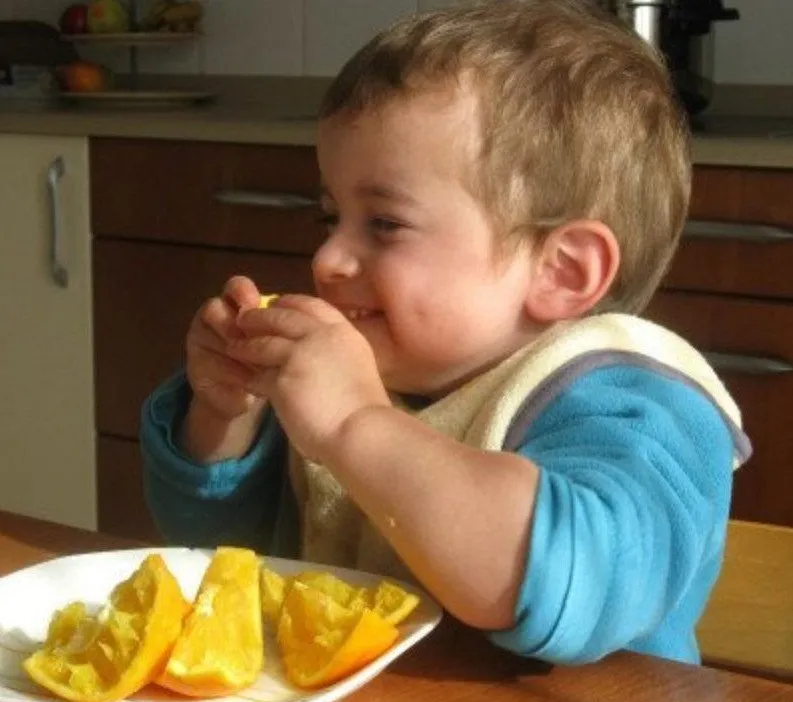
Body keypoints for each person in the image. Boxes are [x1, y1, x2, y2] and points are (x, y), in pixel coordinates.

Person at [140, 0, 750, 666]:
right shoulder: (363, 382)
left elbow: (554, 583)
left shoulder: (637, 406)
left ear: (560, 270)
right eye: (329, 218)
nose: (326, 261)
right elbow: (228, 560)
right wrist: (226, 415)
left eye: (385, 224)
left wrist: (354, 425)